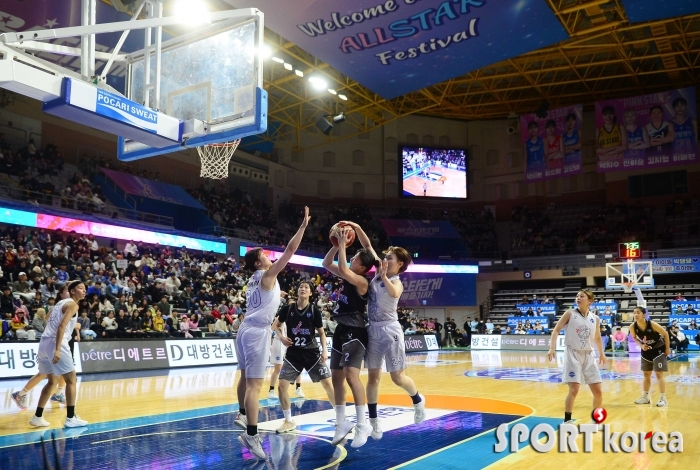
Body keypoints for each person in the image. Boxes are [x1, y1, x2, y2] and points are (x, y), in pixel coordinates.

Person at [233, 207, 310, 460]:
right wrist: (302, 227)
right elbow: (290, 251)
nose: (269, 256)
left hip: (244, 330)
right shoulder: (267, 275)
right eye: (265, 255)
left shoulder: (253, 279)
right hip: (256, 333)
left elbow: (266, 297)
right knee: (255, 385)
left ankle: (243, 414)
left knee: (245, 378)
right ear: (259, 263)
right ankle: (252, 434)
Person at [340, 222, 425, 443]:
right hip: (373, 330)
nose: (385, 260)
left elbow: (394, 292)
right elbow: (367, 246)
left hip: (391, 330)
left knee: (398, 377)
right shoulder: (379, 271)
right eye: (385, 257)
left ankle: (417, 400)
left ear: (401, 264)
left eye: (390, 258)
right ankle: (374, 421)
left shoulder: (396, 281)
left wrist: (385, 276)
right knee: (373, 377)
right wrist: (358, 228)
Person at [321, 225, 378, 448]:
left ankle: (363, 424)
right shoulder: (349, 272)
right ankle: (341, 423)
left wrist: (343, 245)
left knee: (351, 376)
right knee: (336, 378)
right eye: (351, 256)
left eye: (355, 258)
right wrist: (335, 246)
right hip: (341, 330)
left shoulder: (362, 282)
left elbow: (344, 270)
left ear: (363, 268)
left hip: (357, 331)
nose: (352, 258)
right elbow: (326, 264)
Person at [274, 281, 335, 433]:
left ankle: (340, 418)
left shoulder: (314, 311)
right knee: (281, 386)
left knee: (328, 384)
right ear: (298, 291)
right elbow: (277, 326)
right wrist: (281, 337)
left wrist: (325, 351)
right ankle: (288, 420)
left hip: (311, 353)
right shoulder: (288, 309)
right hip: (293, 354)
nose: (303, 288)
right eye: (301, 286)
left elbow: (321, 332)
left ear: (310, 293)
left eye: (306, 287)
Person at [29, 280, 88, 428]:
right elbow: (61, 326)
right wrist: (57, 349)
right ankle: (70, 418)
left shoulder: (61, 303)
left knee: (52, 382)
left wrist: (70, 325)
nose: (84, 290)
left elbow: (48, 318)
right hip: (57, 343)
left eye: (85, 288)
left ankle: (37, 417)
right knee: (71, 380)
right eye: (80, 288)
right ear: (73, 291)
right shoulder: (74, 305)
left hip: (44, 342)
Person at [547, 290, 606, 424]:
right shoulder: (570, 313)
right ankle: (567, 421)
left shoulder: (595, 318)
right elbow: (556, 330)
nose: (578, 298)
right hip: (572, 353)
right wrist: (552, 348)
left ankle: (596, 421)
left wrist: (601, 353)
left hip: (589, 354)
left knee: (598, 391)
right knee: (574, 389)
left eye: (582, 296)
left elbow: (597, 337)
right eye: (577, 296)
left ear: (590, 300)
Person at [12, 286, 74, 410]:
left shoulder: (69, 305)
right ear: (61, 294)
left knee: (56, 372)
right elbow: (48, 319)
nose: (71, 291)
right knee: (49, 374)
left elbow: (48, 319)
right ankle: (22, 395)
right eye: (67, 290)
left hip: (59, 341)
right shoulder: (59, 306)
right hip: (55, 342)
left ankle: (56, 394)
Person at [629, 307, 670, 407]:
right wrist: (641, 345)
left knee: (659, 374)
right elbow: (634, 337)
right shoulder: (632, 326)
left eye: (638, 313)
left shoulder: (652, 324)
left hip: (658, 350)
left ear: (644, 314)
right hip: (646, 351)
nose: (636, 315)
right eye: (634, 313)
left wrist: (667, 349)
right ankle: (645, 397)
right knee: (646, 374)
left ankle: (663, 398)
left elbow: (665, 334)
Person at [268, 311, 303, 400]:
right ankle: (271, 391)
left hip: (290, 342)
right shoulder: (281, 317)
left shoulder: (296, 318)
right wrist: (268, 345)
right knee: (278, 368)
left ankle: (298, 388)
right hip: (279, 342)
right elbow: (271, 330)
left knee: (298, 365)